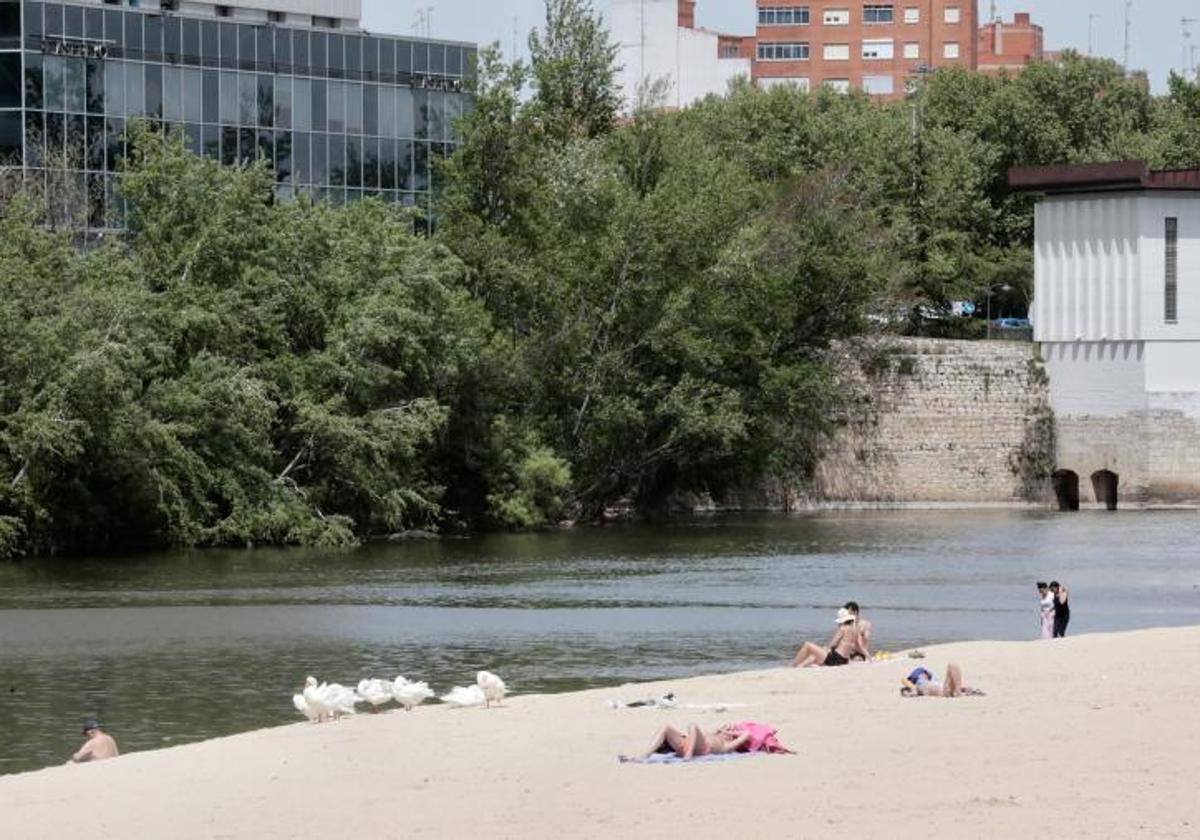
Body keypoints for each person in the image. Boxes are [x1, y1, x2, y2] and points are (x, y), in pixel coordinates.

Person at [792, 607, 864, 667]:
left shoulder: (843, 628)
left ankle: (793, 665)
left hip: (836, 658)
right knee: (813, 656)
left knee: (807, 645)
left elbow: (833, 643)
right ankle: (799, 667)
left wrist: (826, 648)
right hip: (844, 660)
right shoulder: (855, 630)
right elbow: (849, 645)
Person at [644, 723, 752, 760]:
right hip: (685, 745)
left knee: (693, 725)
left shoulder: (727, 745)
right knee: (665, 727)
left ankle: (688, 756)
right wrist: (720, 730)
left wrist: (730, 732)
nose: (728, 729)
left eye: (732, 730)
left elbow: (747, 734)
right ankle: (646, 755)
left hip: (700, 750)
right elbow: (695, 736)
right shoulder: (713, 734)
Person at [900, 664, 975, 698]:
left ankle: (958, 690)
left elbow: (913, 690)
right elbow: (912, 688)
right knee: (951, 666)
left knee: (952, 666)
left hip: (942, 689)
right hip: (942, 691)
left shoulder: (927, 682)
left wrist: (963, 688)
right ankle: (958, 691)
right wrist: (909, 693)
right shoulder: (917, 682)